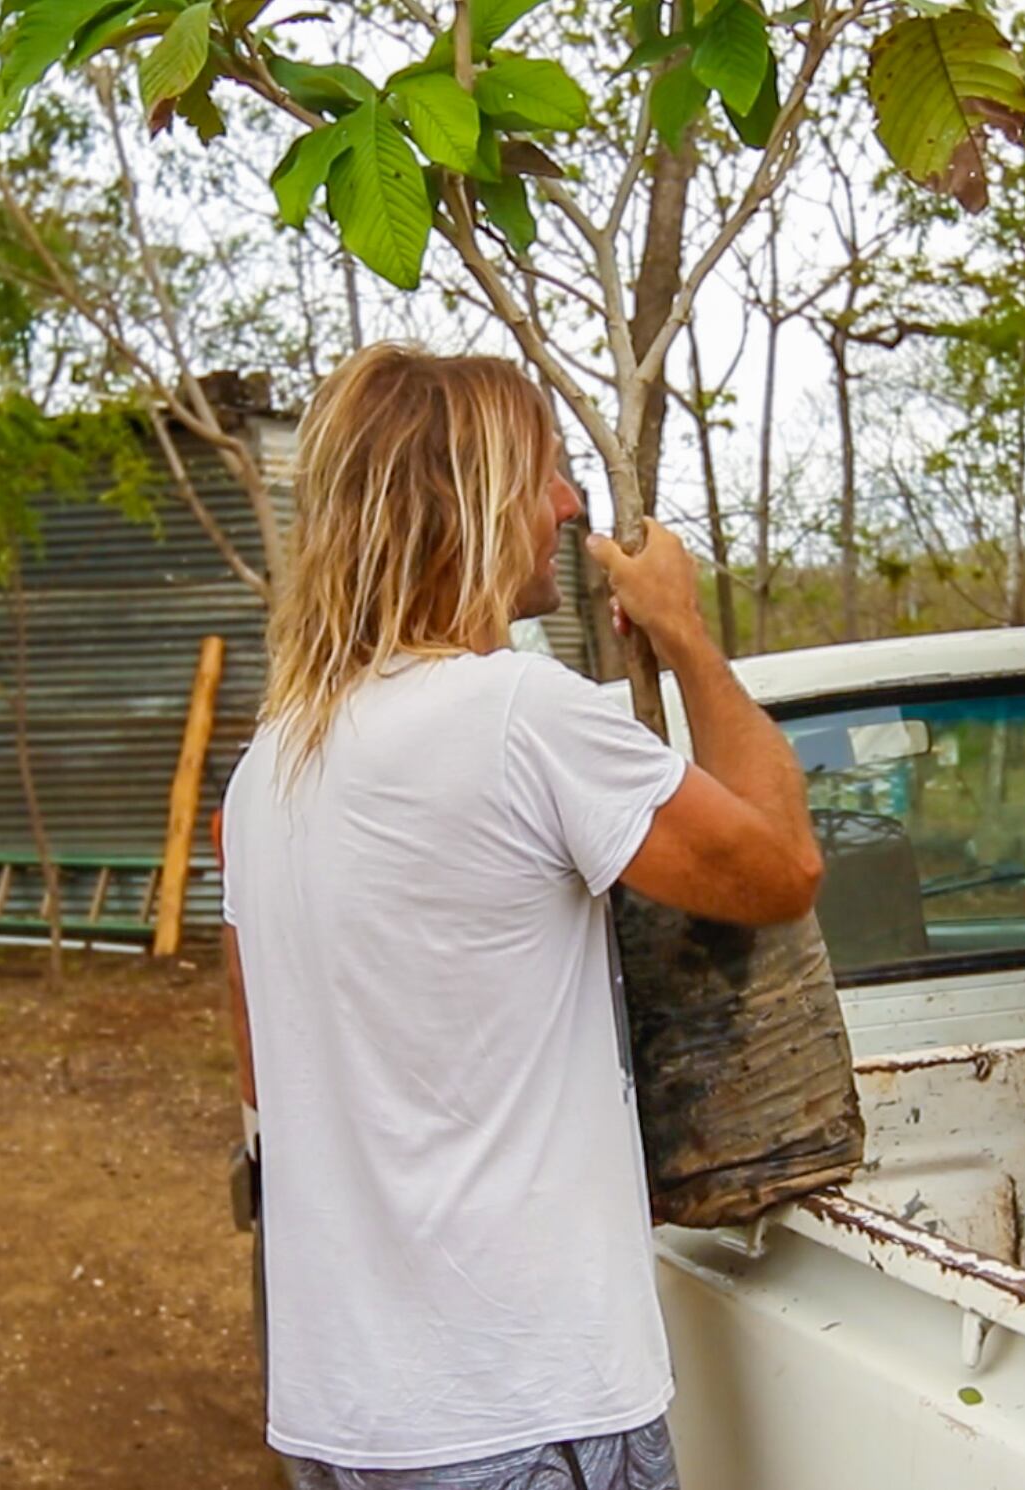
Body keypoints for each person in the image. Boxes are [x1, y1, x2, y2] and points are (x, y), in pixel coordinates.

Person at [218, 343, 820, 1488]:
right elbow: (781, 866)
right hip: (521, 1403)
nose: (568, 505)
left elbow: (266, 1076)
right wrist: (685, 636)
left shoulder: (265, 771)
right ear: (471, 498)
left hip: (342, 1414)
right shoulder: (516, 714)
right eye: (544, 474)